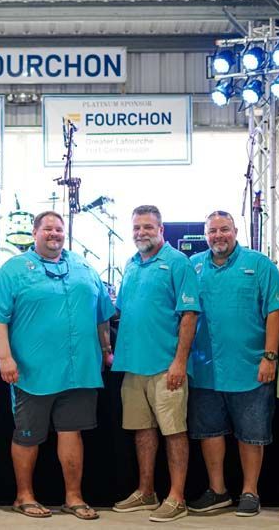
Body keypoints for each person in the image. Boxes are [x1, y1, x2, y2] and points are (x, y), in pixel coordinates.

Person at [0, 211, 114, 521]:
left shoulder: (83, 267)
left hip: (80, 369)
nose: (54, 234)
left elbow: (102, 314)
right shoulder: (12, 271)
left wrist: (106, 349)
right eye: (48, 229)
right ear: (34, 232)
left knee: (72, 433)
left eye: (59, 229)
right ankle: (23, 496)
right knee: (27, 436)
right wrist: (4, 358)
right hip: (32, 372)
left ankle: (73, 497)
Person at [186, 211, 279, 516]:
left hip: (251, 367)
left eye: (224, 229)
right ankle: (218, 491)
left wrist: (270, 356)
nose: (218, 236)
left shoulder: (259, 265)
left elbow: (275, 310)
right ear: (206, 235)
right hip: (205, 369)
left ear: (235, 231)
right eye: (212, 231)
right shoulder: (194, 266)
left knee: (251, 433)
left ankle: (250, 492)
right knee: (209, 431)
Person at [110, 205, 200, 523]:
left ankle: (176, 497)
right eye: (136, 227)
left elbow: (189, 315)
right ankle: (146, 492)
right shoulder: (131, 265)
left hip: (167, 366)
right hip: (133, 366)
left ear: (161, 230)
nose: (141, 233)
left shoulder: (178, 263)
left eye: (148, 227)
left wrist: (180, 362)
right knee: (143, 431)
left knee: (174, 431)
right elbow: (124, 312)